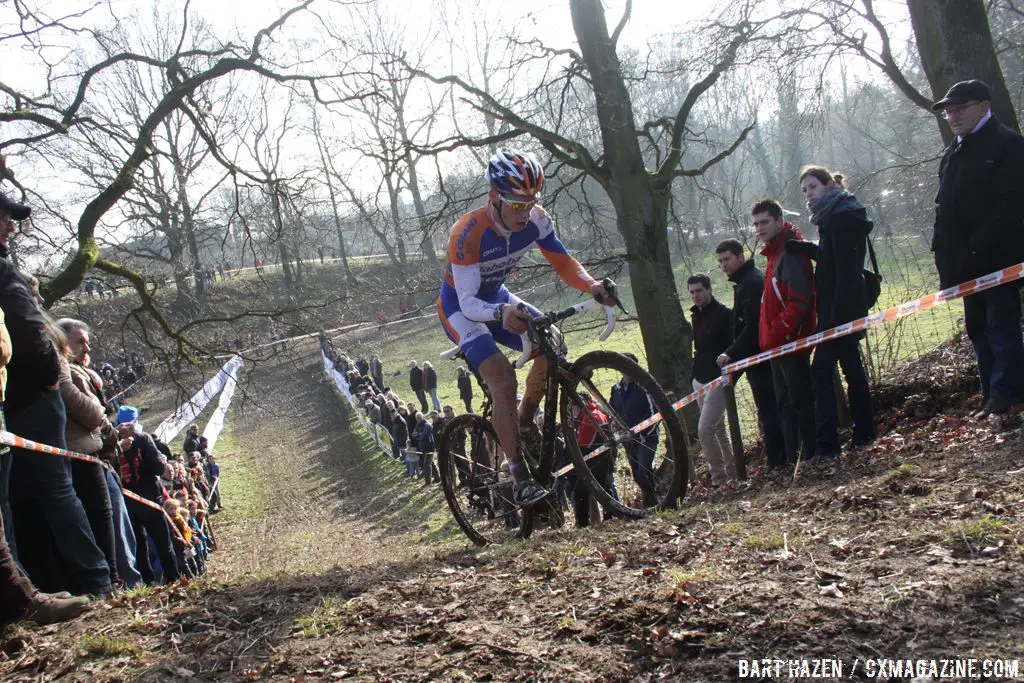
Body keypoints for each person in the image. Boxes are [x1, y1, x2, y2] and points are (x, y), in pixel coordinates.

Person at [436, 149, 615, 508]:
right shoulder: (468, 232)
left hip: (498, 296)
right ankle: (517, 473)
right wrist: (501, 312)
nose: (524, 213)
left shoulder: (536, 219)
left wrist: (591, 285)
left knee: (554, 342)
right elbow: (470, 302)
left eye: (530, 203)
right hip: (461, 309)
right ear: (493, 199)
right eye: (516, 205)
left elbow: (563, 262)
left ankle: (526, 419)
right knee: (503, 381)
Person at [0, 194, 112, 596]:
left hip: (19, 403)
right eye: (5, 218)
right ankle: (96, 579)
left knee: (23, 498)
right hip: (33, 403)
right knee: (55, 494)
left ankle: (34, 586)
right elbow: (34, 337)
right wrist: (51, 372)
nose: (12, 225)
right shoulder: (4, 274)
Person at [930, 80, 1024, 416]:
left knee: (1001, 325)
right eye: (948, 111)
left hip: (997, 259)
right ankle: (991, 395)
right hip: (963, 264)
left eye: (959, 109)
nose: (952, 116)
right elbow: (945, 209)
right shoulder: (953, 151)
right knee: (978, 330)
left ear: (983, 106)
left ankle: (1009, 395)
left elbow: (1011, 206)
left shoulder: (1008, 144)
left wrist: (978, 247)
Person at [0, 302, 91, 626]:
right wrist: (51, 376)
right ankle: (96, 580)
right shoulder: (8, 280)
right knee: (48, 497)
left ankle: (21, 597)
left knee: (6, 511)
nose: (85, 349)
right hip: (33, 413)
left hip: (10, 406)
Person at [797, 166, 877, 456]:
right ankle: (863, 433)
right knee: (852, 368)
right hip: (839, 305)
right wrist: (808, 249)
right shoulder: (832, 214)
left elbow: (845, 268)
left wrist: (835, 318)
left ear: (829, 185)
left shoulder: (841, 215)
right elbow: (833, 256)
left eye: (813, 187)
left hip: (841, 308)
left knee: (821, 372)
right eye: (804, 190)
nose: (808, 194)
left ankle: (830, 442)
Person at [751, 198, 817, 465]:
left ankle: (810, 455)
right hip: (774, 345)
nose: (759, 228)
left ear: (779, 221)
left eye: (764, 222)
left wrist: (781, 330)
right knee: (784, 405)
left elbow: (800, 300)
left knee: (799, 402)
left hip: (790, 342)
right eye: (755, 224)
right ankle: (794, 460)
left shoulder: (790, 252)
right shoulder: (772, 255)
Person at [714, 240, 787, 471]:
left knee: (770, 409)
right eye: (720, 261)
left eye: (727, 259)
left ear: (740, 257)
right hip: (753, 355)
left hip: (760, 355)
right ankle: (777, 458)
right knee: (766, 409)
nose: (723, 265)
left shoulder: (752, 282)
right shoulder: (744, 282)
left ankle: (779, 460)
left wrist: (731, 352)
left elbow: (753, 325)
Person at [115, 406, 180, 585]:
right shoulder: (143, 438)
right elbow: (158, 467)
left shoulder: (113, 441)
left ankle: (147, 580)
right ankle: (173, 578)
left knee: (139, 544)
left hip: (126, 500)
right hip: (150, 498)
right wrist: (162, 459)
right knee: (163, 542)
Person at [686, 274, 735, 488]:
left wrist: (727, 372)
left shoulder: (724, 314)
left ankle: (719, 478)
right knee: (718, 430)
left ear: (709, 289)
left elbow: (732, 344)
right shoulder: (695, 315)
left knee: (705, 430)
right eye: (692, 292)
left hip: (718, 377)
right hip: (699, 379)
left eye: (699, 290)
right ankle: (732, 472)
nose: (695, 295)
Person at [609, 352, 659, 506]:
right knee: (637, 475)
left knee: (644, 471)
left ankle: (653, 503)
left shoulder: (645, 387)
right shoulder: (616, 389)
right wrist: (613, 425)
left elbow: (655, 412)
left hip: (647, 438)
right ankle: (652, 501)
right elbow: (612, 410)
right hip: (627, 440)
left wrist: (641, 432)